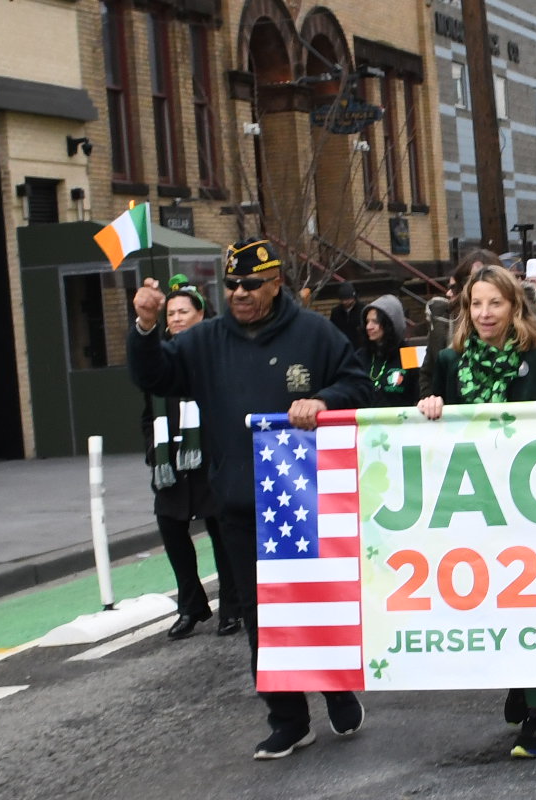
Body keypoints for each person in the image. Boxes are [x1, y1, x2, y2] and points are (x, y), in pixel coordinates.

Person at [130, 238, 370, 759]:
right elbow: (153, 376)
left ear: (276, 283)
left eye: (251, 285)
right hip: (238, 501)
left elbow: (357, 383)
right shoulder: (207, 340)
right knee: (263, 614)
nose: (240, 293)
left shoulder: (313, 334)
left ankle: (335, 687)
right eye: (232, 284)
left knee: (311, 601)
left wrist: (323, 400)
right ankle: (287, 718)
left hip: (302, 496)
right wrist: (146, 330)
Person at [419, 263, 536, 758]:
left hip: (532, 507)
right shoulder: (448, 360)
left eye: (496, 303)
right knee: (491, 603)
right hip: (476, 508)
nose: (485, 313)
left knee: (529, 600)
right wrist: (427, 404)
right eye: (476, 304)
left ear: (514, 307)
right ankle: (518, 680)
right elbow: (417, 413)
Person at [144, 285, 220, 639]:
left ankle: (233, 606)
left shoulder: (216, 354)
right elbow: (148, 414)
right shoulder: (160, 359)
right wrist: (153, 453)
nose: (175, 318)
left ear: (200, 315)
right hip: (171, 463)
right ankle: (191, 605)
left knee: (222, 532)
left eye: (182, 312)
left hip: (211, 460)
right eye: (170, 313)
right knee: (170, 527)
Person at [357, 294, 423, 410]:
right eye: (367, 321)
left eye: (375, 322)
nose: (369, 327)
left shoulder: (409, 354)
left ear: (390, 324)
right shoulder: (360, 356)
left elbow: (419, 394)